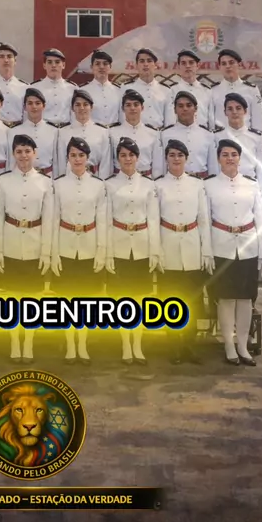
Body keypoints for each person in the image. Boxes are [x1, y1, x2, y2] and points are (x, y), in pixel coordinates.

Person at [204, 139, 262, 366]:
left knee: (245, 299)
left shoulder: (251, 185)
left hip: (248, 247)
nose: (230, 158)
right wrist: (207, 251)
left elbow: (260, 220)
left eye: (234, 154)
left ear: (240, 158)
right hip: (221, 246)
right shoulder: (209, 186)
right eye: (225, 155)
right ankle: (229, 345)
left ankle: (242, 345)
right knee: (226, 299)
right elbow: (205, 221)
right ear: (218, 159)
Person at [155, 139, 214, 365]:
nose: (176, 159)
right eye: (172, 155)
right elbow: (154, 221)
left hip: (192, 246)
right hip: (168, 244)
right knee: (170, 300)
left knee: (193, 300)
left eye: (180, 155)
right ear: (166, 159)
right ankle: (174, 346)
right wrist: (157, 250)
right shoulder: (158, 185)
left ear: (186, 158)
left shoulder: (197, 185)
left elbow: (203, 219)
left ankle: (189, 344)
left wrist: (206, 250)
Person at [105, 137, 161, 366]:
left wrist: (155, 250)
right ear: (117, 159)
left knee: (139, 299)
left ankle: (137, 344)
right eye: (123, 155)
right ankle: (125, 345)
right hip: (118, 244)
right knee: (121, 300)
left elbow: (154, 220)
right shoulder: (109, 185)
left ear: (137, 158)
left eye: (131, 155)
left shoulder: (148, 185)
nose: (127, 159)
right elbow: (106, 221)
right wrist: (107, 252)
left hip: (141, 245)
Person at [0, 134, 53, 363]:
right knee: (12, 297)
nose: (23, 156)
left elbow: (48, 219)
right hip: (10, 242)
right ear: (13, 154)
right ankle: (14, 343)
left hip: (34, 242)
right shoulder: (3, 181)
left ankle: (28, 344)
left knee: (32, 299)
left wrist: (46, 251)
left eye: (27, 151)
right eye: (19, 152)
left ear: (35, 153)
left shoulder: (45, 182)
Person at [51, 137, 106, 365]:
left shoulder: (98, 185)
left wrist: (101, 250)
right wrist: (53, 252)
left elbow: (102, 220)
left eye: (81, 155)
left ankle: (82, 345)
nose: (77, 159)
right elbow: (54, 220)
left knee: (86, 300)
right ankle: (69, 345)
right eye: (73, 155)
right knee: (66, 300)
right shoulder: (58, 184)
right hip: (65, 245)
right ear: (67, 158)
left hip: (89, 246)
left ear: (87, 158)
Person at [214, 93, 262, 214]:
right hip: (223, 190)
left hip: (249, 190)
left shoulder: (256, 136)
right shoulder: (216, 136)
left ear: (245, 111)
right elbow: (213, 166)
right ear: (225, 112)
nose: (234, 112)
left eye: (238, 108)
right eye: (230, 109)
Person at [161, 91, 218, 179]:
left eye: (189, 105)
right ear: (175, 110)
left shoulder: (207, 135)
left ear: (195, 108)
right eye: (180, 106)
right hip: (175, 182)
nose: (185, 109)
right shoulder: (165, 135)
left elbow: (213, 166)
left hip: (201, 182)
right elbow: (162, 166)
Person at [110, 89, 164, 178]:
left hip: (146, 180)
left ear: (142, 108)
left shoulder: (153, 133)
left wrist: (155, 182)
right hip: (120, 180)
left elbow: (157, 165)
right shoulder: (112, 132)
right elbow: (109, 163)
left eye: (136, 104)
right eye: (128, 105)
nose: (132, 108)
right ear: (123, 108)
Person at [57, 89, 111, 179]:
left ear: (91, 107)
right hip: (71, 178)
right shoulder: (63, 132)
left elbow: (105, 162)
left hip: (94, 178)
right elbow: (61, 162)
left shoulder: (102, 131)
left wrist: (103, 182)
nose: (82, 108)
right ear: (72, 108)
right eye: (77, 105)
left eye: (85, 104)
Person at [7, 87, 59, 178]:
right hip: (22, 177)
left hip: (48, 177)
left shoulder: (54, 131)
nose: (34, 107)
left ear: (44, 106)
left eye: (37, 103)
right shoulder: (14, 132)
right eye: (30, 103)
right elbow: (11, 162)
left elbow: (57, 162)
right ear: (24, 107)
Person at [211, 49, 262, 134]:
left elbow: (259, 121)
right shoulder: (212, 90)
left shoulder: (251, 90)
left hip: (246, 138)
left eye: (231, 62)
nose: (228, 66)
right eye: (224, 64)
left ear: (239, 65)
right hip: (221, 139)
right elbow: (210, 122)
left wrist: (260, 141)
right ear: (220, 67)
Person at [120, 49, 175, 129]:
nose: (145, 64)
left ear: (155, 65)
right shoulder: (126, 88)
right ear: (136, 65)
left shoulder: (166, 90)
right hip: (134, 132)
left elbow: (170, 121)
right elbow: (122, 116)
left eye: (149, 61)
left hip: (158, 133)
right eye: (142, 61)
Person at [30, 49, 77, 128]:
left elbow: (76, 114)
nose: (53, 65)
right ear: (44, 65)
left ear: (63, 65)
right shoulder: (35, 88)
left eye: (57, 62)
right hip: (44, 130)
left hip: (66, 130)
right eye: (49, 62)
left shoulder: (73, 88)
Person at [168, 50, 215, 129]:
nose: (188, 66)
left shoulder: (206, 90)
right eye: (183, 63)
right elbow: (169, 119)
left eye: (191, 62)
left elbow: (211, 118)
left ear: (197, 66)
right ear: (179, 66)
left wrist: (211, 132)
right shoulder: (171, 90)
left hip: (203, 133)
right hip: (179, 132)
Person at [80, 50, 122, 127]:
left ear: (110, 67)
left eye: (105, 64)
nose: (101, 67)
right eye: (97, 64)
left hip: (114, 132)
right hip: (92, 132)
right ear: (91, 67)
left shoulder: (119, 90)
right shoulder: (83, 91)